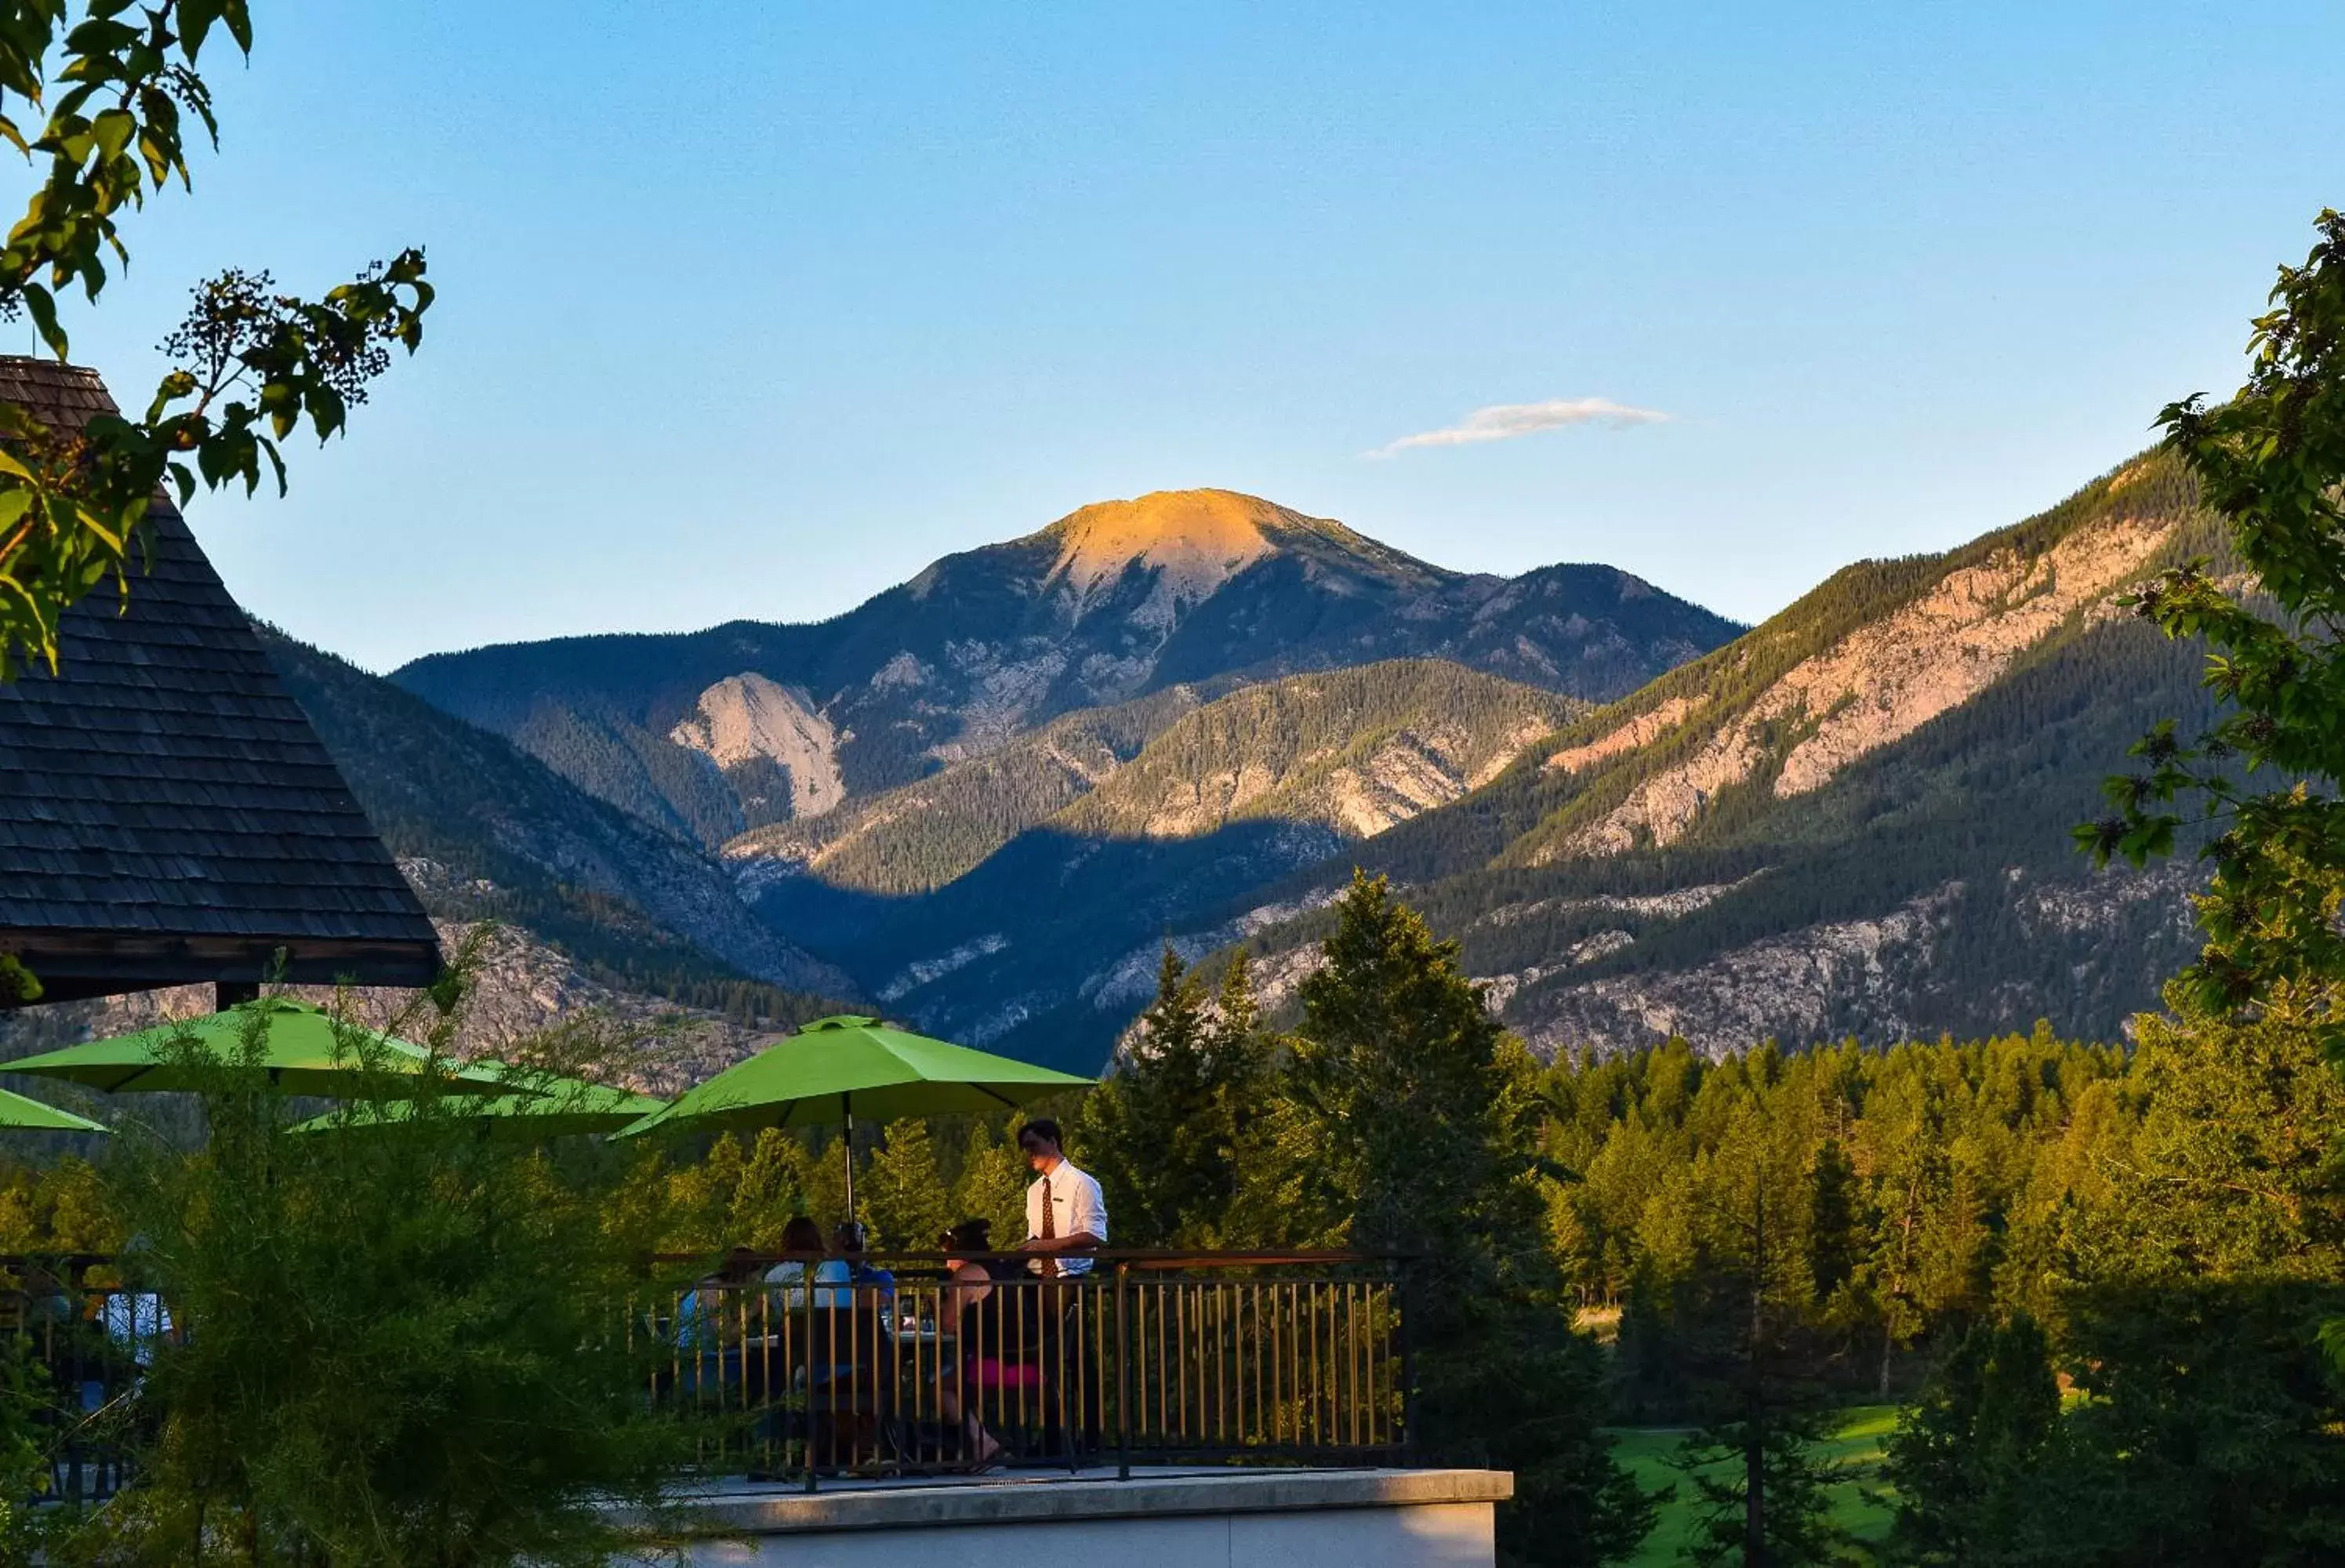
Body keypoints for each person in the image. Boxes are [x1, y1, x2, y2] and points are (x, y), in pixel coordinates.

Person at [1018, 1118, 1105, 1276]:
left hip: (1070, 1277)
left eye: (1034, 1145)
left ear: (1053, 1143)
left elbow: (1095, 1235)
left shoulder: (1082, 1183)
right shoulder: (1034, 1190)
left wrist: (1049, 1245)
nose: (1029, 1153)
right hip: (1034, 1277)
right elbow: (1034, 1237)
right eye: (1026, 1148)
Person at [764, 1215, 826, 1310]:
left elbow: (776, 1307)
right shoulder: (830, 1269)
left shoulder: (775, 1274)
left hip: (791, 1322)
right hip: (834, 1322)